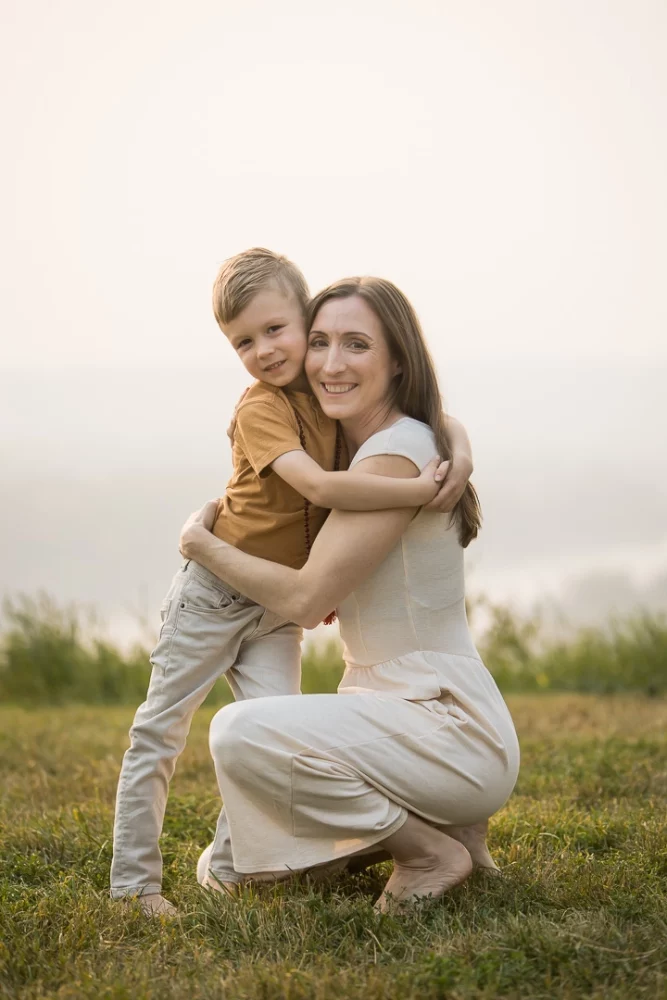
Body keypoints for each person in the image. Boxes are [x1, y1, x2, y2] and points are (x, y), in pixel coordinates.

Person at [111, 251, 475, 916]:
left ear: (306, 323)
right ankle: (134, 886)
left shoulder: (328, 395)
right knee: (159, 731)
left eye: (276, 331)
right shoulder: (260, 410)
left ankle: (234, 865)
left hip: (276, 609)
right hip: (213, 594)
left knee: (270, 736)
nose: (261, 351)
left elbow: (412, 409)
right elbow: (315, 486)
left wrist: (458, 441)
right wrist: (417, 491)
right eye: (242, 342)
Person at [180, 276, 521, 912]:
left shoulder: (393, 454)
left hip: (443, 726)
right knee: (228, 867)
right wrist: (462, 441)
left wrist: (204, 547)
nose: (331, 364)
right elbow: (437, 419)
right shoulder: (385, 442)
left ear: (397, 361)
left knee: (237, 734)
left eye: (357, 344)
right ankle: (442, 830)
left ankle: (427, 850)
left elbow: (308, 603)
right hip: (404, 716)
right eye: (320, 343)